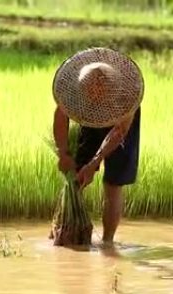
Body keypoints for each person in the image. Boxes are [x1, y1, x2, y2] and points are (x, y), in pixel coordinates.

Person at [51, 47, 144, 247]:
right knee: (75, 175)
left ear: (111, 88)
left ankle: (107, 242)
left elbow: (119, 133)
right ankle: (65, 226)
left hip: (120, 129)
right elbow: (61, 116)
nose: (94, 96)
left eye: (99, 94)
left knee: (113, 183)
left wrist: (95, 163)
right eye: (89, 93)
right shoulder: (73, 90)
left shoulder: (127, 95)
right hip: (88, 119)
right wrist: (63, 153)